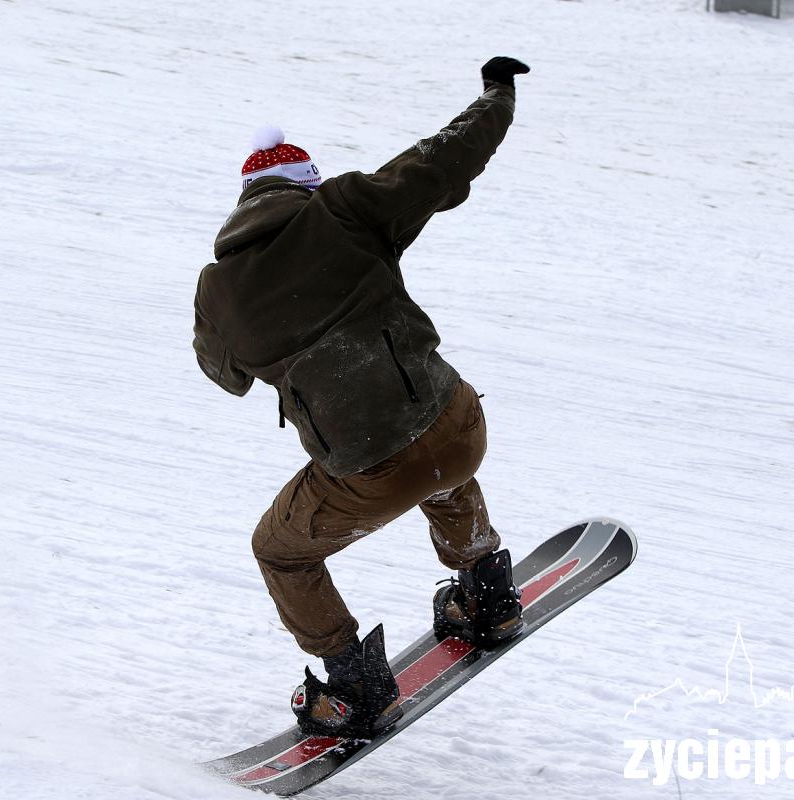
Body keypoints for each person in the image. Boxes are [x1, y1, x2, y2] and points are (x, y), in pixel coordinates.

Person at [192, 57, 531, 737]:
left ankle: (355, 684)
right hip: (460, 425)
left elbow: (224, 376)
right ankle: (488, 593)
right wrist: (497, 93)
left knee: (280, 550)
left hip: (371, 470)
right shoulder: (345, 211)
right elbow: (442, 158)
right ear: (304, 189)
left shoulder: (219, 288)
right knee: (436, 457)